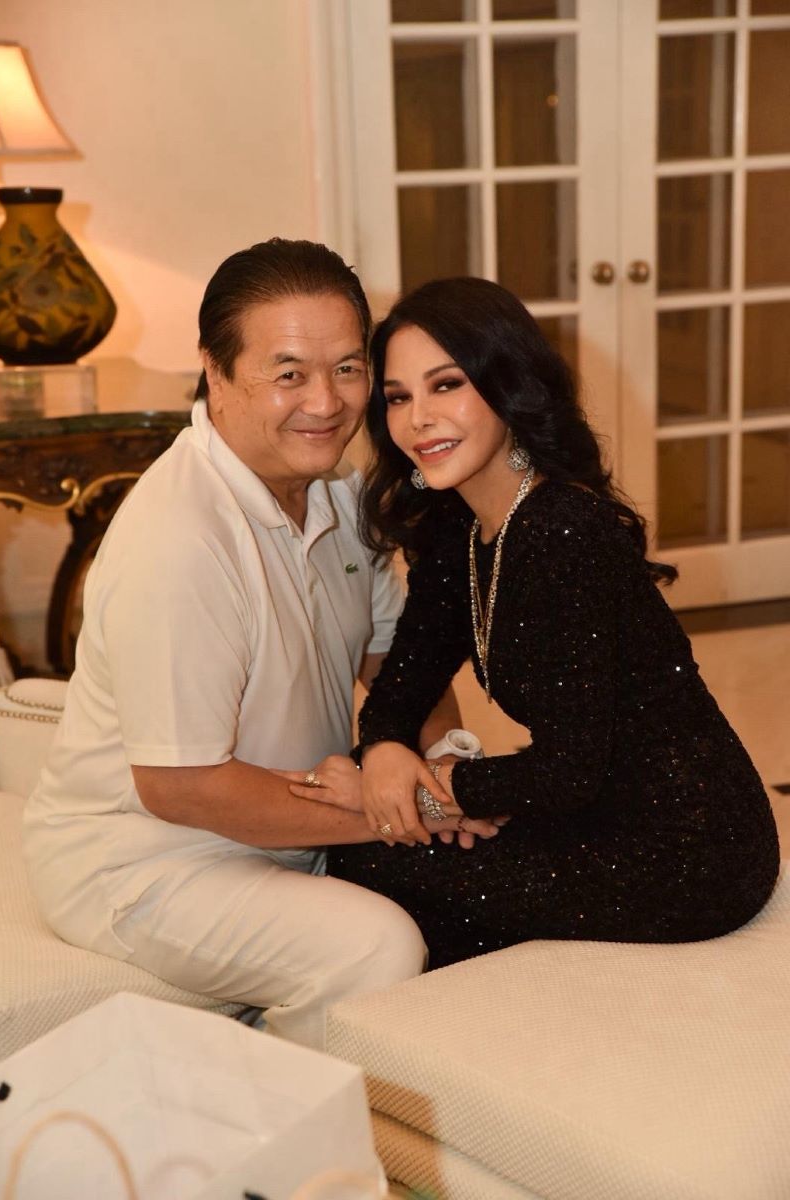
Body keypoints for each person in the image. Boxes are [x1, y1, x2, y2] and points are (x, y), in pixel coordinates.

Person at [23, 241, 495, 1048]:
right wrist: (403, 809)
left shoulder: (342, 491)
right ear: (215, 372)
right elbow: (180, 788)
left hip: (302, 820)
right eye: (288, 374)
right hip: (152, 857)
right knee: (375, 947)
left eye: (347, 369)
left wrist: (438, 766)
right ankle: (284, 1118)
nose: (326, 402)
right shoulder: (180, 539)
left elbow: (400, 671)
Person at [300, 275, 780, 970]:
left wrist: (434, 800)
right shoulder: (458, 528)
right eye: (398, 397)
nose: (418, 419)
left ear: (507, 386)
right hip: (588, 810)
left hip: (686, 848)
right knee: (366, 842)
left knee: (367, 859)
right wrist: (382, 758)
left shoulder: (566, 531)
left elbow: (564, 773)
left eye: (446, 385)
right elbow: (402, 688)